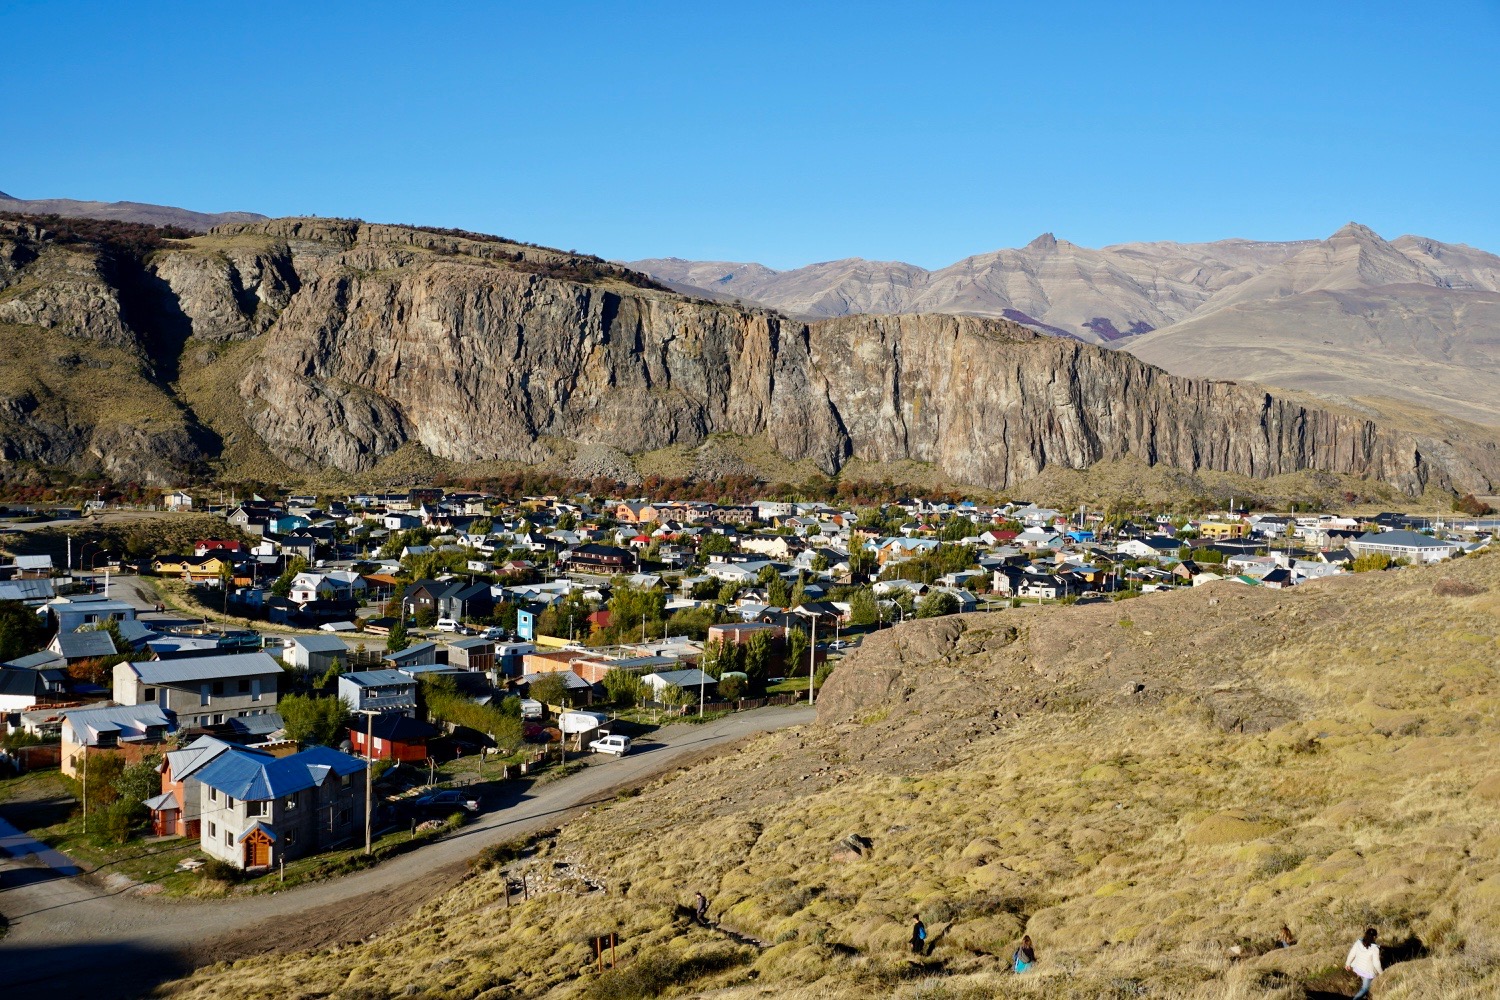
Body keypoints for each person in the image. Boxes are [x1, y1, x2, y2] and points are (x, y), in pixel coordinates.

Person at [1345, 927, 1382, 999]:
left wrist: (1347, 964)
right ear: (1374, 937)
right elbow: (1376, 963)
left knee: (1365, 985)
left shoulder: (1358, 942)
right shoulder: (1375, 948)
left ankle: (1364, 997)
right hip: (1367, 972)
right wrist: (1381, 973)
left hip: (1358, 968)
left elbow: (1352, 953)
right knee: (1365, 988)